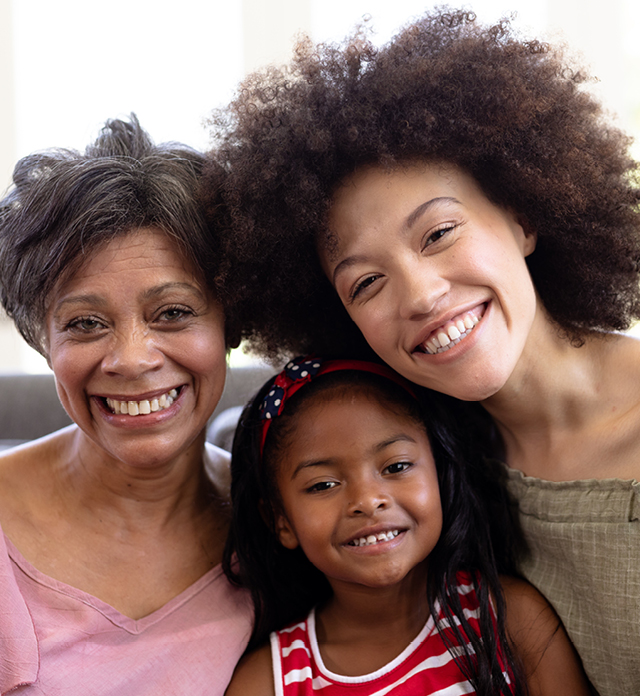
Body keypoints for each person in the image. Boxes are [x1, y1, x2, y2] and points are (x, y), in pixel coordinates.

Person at [203, 10, 640, 696]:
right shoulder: (430, 468)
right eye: (366, 282)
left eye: (438, 232)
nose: (421, 294)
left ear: (523, 213)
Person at [0, 115, 252, 695]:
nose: (133, 360)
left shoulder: (295, 524)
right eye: (85, 323)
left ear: (229, 322)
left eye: (173, 312)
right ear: (46, 343)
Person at [222, 356, 590, 696]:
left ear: (440, 474)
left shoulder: (509, 618)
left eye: (396, 467)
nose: (367, 500)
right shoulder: (270, 682)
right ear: (281, 521)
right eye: (323, 485)